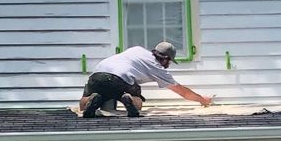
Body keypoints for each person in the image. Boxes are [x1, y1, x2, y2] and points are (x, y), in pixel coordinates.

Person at [76, 41, 213, 117]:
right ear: (166, 59)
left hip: (97, 75)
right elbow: (182, 91)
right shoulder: (157, 67)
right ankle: (129, 99)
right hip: (120, 79)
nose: (168, 65)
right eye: (170, 62)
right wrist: (203, 99)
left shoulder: (137, 49)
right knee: (138, 101)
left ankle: (92, 99)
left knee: (83, 106)